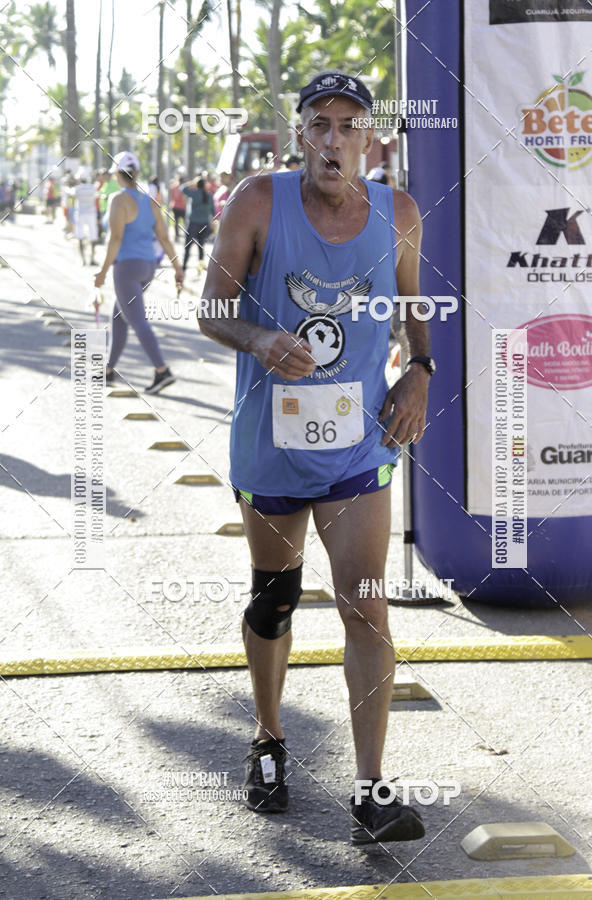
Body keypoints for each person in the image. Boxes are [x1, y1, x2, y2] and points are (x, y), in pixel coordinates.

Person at [198, 71, 432, 844]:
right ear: (301, 134)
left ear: (371, 136)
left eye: (349, 124)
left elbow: (412, 310)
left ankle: (371, 791)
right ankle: (268, 739)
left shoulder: (397, 213)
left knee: (366, 606)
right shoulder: (258, 202)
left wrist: (420, 372)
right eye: (320, 124)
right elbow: (213, 307)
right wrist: (259, 338)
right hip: (269, 444)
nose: (334, 139)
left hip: (356, 449)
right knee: (276, 599)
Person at [94, 151, 183, 394]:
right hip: (147, 267)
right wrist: (178, 267)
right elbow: (164, 238)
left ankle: (162, 370)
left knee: (136, 320)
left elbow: (116, 238)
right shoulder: (149, 200)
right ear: (138, 173)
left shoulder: (118, 200)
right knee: (119, 317)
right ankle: (109, 371)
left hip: (127, 268)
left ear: (116, 174)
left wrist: (102, 272)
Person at [182, 177, 214, 274]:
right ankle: (200, 268)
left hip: (193, 224)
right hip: (205, 224)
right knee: (201, 246)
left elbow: (183, 189)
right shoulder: (209, 196)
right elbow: (213, 212)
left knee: (188, 247)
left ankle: (184, 267)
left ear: (197, 185)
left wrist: (191, 182)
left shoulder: (194, 193)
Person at [72, 169, 98, 265]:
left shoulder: (77, 188)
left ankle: (82, 259)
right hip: (91, 213)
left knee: (80, 236)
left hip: (80, 214)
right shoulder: (93, 188)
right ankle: (92, 258)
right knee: (93, 236)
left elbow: (71, 195)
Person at [169, 175, 187, 241]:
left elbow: (172, 196)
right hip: (182, 207)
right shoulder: (183, 188)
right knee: (185, 222)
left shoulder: (173, 187)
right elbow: (184, 198)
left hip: (175, 206)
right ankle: (186, 235)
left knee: (176, 222)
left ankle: (177, 236)